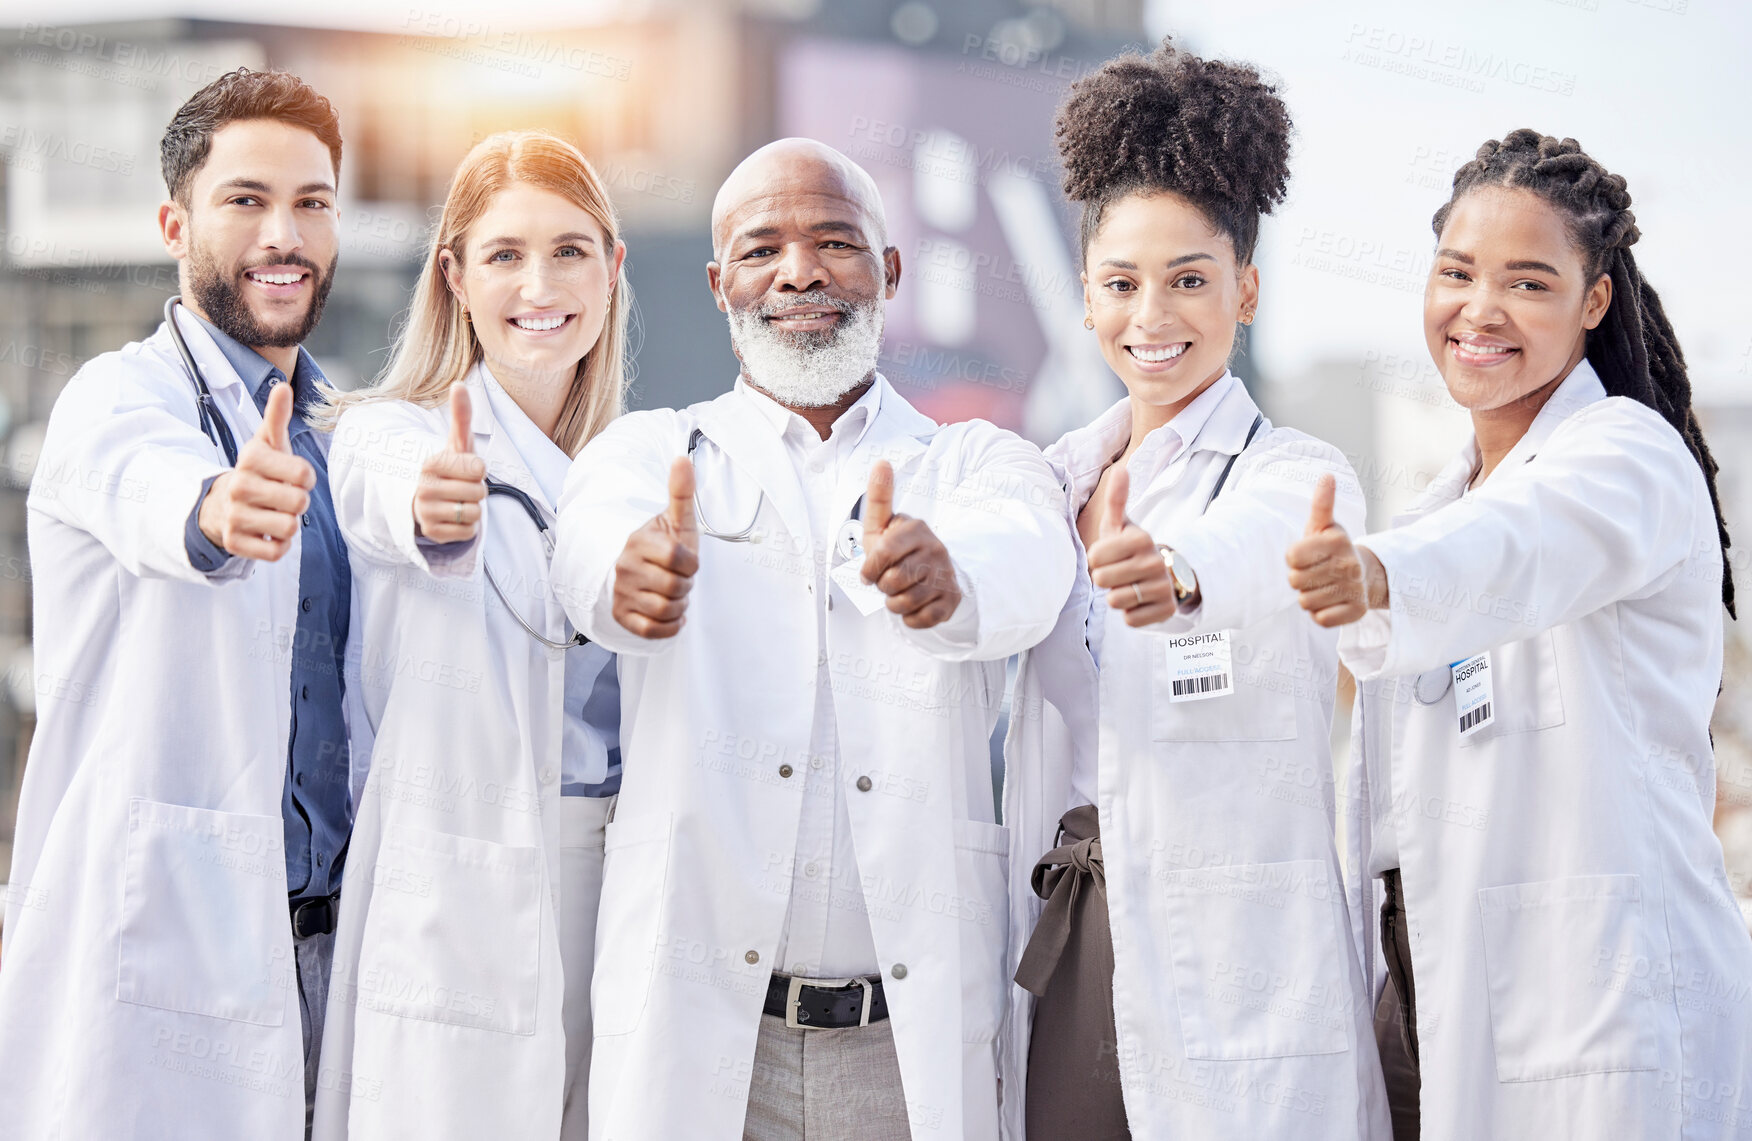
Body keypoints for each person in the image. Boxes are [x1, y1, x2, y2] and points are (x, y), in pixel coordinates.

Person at [550, 138, 1073, 1141]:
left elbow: (1029, 553)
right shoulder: (652, 452)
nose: (798, 272)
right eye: (762, 249)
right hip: (708, 1040)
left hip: (899, 1048)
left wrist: (949, 581)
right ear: (719, 283)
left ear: (890, 270)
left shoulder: (971, 461)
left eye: (835, 241)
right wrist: (630, 579)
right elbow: (590, 547)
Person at [1286, 129, 1752, 1141]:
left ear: (1593, 303)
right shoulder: (1439, 503)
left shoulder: (1627, 457)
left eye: (1529, 283)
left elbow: (1519, 547)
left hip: (1595, 1006)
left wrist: (1372, 573)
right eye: (1457, 272)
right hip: (1420, 996)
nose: (1479, 310)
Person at [999, 39, 1391, 1141]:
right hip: (1070, 935)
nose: (1152, 315)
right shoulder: (1048, 479)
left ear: (1246, 289)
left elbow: (1267, 544)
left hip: (1237, 955)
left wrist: (1177, 572)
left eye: (1189, 280)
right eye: (1122, 283)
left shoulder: (1298, 473)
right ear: (1084, 296)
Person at [0, 68, 350, 1139]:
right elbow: (156, 494)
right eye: (245, 200)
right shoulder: (121, 397)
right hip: (167, 956)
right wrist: (219, 509)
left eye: (312, 203)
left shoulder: (351, 430)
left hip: (340, 957)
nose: (283, 234)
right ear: (175, 222)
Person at [310, 130, 629, 1141]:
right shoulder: (391, 435)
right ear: (453, 274)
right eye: (503, 255)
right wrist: (438, 510)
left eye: (571, 250)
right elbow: (389, 496)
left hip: (615, 898)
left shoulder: (638, 467)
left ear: (613, 267)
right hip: (453, 904)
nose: (540, 283)